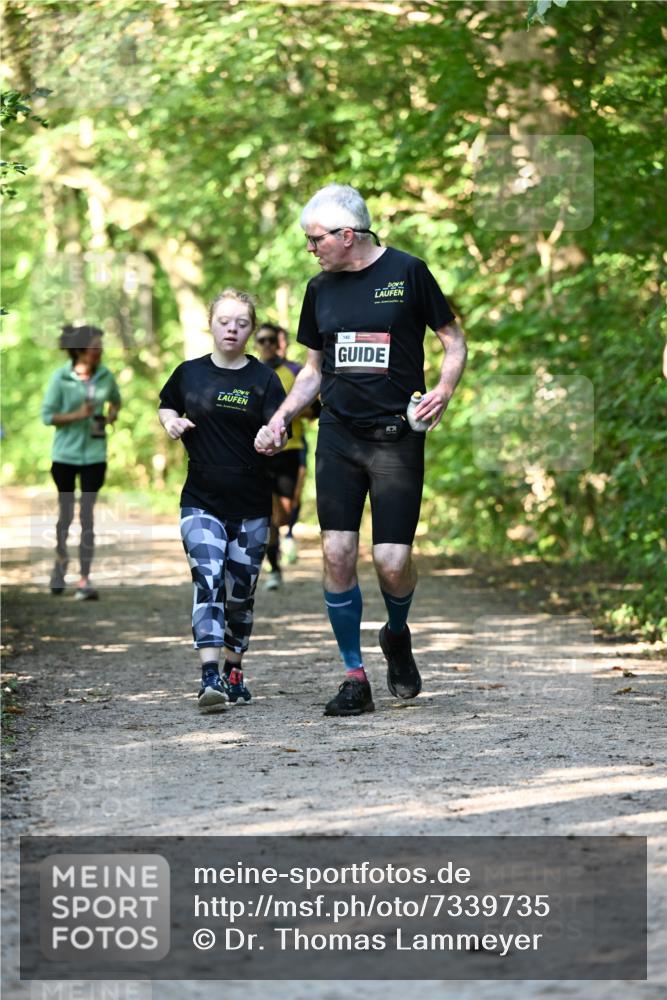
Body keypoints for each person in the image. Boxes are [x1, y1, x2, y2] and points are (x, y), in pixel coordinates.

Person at [255, 183, 467, 717]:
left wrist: (442, 391)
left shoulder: (408, 273)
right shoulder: (318, 289)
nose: (311, 248)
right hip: (339, 438)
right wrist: (281, 417)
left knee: (392, 562)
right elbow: (313, 372)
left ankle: (396, 634)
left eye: (315, 239)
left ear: (347, 235)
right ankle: (354, 675)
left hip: (396, 438)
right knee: (336, 553)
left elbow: (453, 341)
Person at [159, 289, 286, 712]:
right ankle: (209, 677)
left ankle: (234, 668)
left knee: (240, 592)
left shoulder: (265, 380)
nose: (232, 328)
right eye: (224, 321)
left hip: (251, 505)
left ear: (251, 329)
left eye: (242, 323)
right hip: (201, 501)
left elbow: (278, 427)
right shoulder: (189, 373)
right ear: (210, 324)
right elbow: (166, 405)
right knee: (207, 579)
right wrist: (171, 422)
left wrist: (273, 436)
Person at [41, 324, 121, 600]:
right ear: (80, 350)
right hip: (64, 456)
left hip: (95, 456)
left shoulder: (106, 376)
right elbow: (47, 416)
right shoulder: (60, 378)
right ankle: (60, 566)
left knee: (87, 515)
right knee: (65, 514)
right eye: (95, 347)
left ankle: (84, 580)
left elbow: (116, 401)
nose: (100, 351)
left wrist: (111, 415)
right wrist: (77, 414)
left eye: (101, 347)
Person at [255, 323, 305, 588]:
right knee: (268, 512)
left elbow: (314, 409)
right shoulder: (250, 372)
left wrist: (289, 410)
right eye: (260, 340)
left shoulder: (294, 371)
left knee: (284, 512)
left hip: (290, 448)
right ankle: (274, 568)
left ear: (278, 343)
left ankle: (287, 534)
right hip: (260, 451)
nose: (265, 345)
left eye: (270, 340)